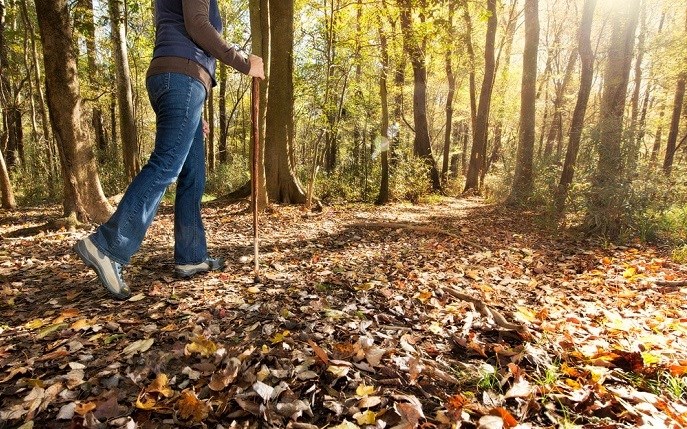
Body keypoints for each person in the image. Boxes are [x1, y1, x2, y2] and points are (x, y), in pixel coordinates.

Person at [74, 0, 265, 300]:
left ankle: (191, 256)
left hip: (183, 82)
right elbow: (197, 26)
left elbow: (181, 30)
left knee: (193, 176)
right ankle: (107, 246)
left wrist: (194, 110)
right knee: (167, 165)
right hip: (183, 78)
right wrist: (243, 62)